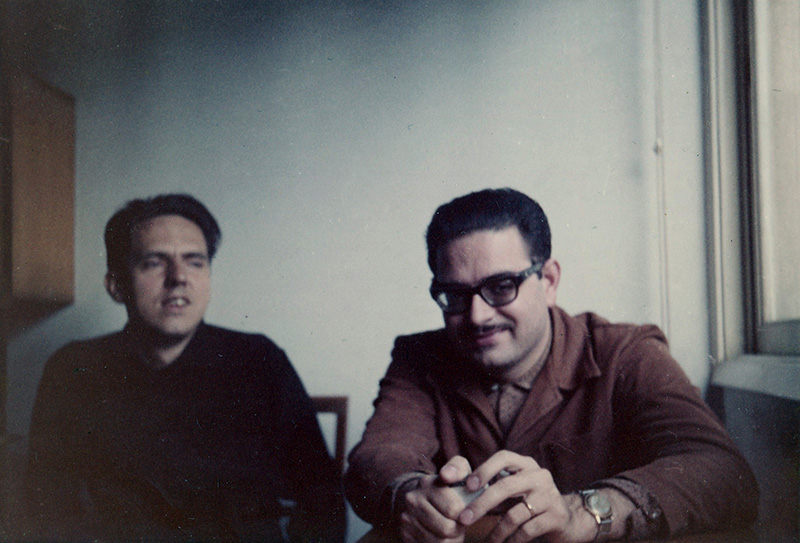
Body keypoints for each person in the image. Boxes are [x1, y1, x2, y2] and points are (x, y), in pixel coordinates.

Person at [344, 188, 758, 543]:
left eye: (501, 286)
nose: (477, 316)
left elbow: (723, 473)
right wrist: (410, 496)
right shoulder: (419, 356)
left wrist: (585, 511)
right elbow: (377, 457)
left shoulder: (625, 352)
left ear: (549, 281)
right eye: (454, 295)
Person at [22, 194, 346, 543]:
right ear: (116, 285)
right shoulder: (74, 370)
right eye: (153, 263)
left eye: (195, 262)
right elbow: (45, 511)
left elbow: (323, 502)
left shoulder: (259, 361)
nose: (178, 277)